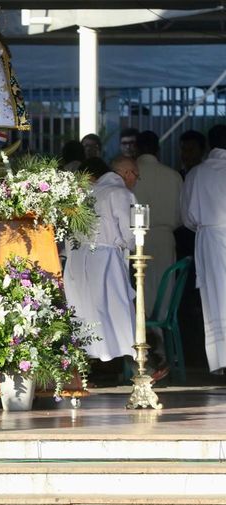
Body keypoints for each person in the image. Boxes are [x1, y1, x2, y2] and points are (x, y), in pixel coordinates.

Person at [64, 155, 137, 372]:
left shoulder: (84, 194)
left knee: (85, 312)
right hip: (105, 259)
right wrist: (131, 246)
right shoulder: (119, 192)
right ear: (125, 174)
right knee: (116, 312)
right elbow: (131, 234)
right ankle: (132, 363)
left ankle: (86, 368)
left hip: (78, 258)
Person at [181, 124, 226, 374]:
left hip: (209, 241)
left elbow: (187, 217)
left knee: (217, 299)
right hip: (213, 235)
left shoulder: (197, 173)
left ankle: (222, 358)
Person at [134, 130, 182, 315]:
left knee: (138, 291)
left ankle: (141, 338)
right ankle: (161, 339)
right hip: (165, 239)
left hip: (135, 242)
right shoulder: (173, 175)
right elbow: (182, 215)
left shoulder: (128, 175)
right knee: (164, 291)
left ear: (136, 148)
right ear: (157, 149)